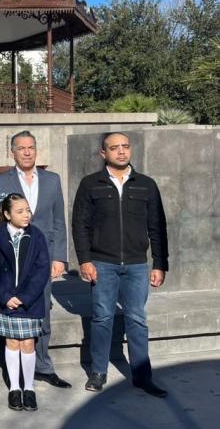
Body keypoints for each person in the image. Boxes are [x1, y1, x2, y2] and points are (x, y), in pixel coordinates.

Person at [72, 132, 169, 397]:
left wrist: (160, 263)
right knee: (102, 318)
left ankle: (142, 375)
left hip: (137, 265)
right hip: (103, 263)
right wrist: (85, 260)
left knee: (137, 318)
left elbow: (157, 225)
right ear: (103, 153)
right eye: (114, 148)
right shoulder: (91, 184)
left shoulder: (146, 184)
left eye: (125, 146)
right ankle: (99, 371)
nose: (121, 152)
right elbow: (80, 225)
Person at [0, 131, 71, 389]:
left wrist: (59, 257)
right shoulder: (0, 181)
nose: (26, 152)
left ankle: (42, 366)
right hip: (10, 261)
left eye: (31, 147)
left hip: (41, 260)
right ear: (12, 152)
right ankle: (14, 372)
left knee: (41, 311)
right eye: (21, 148)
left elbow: (58, 221)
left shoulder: (52, 180)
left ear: (36, 150)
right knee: (12, 309)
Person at [0, 193, 51, 411]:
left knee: (29, 343)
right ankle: (14, 389)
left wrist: (25, 297)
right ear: (6, 214)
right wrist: (5, 296)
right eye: (20, 211)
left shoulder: (36, 235)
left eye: (28, 210)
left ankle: (29, 389)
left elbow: (42, 270)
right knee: (12, 343)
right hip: (4, 300)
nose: (26, 215)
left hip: (29, 301)